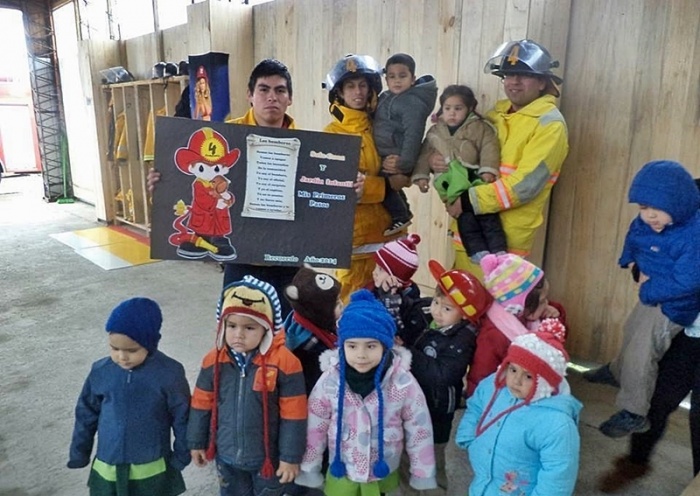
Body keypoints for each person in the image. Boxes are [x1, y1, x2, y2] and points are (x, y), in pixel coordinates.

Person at [147, 59, 299, 317]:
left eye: (280, 90)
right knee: (238, 333)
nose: (272, 97)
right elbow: (190, 183)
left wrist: (349, 189)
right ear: (250, 95)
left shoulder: (307, 145)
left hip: (288, 257)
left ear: (290, 98)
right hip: (240, 257)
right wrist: (162, 188)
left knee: (289, 337)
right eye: (264, 89)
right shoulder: (222, 137)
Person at [584, 160, 700, 438]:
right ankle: (617, 371)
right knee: (631, 329)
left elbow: (689, 282)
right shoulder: (652, 222)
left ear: (678, 205)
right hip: (658, 293)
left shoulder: (693, 234)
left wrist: (648, 290)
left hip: (677, 304)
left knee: (642, 349)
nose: (649, 216)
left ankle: (634, 412)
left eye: (656, 210)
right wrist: (629, 260)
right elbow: (635, 237)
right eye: (643, 208)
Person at [437, 40, 569, 272]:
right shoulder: (496, 114)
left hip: (503, 243)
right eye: (508, 75)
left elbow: (525, 187)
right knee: (459, 305)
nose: (514, 82)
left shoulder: (549, 124)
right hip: (466, 232)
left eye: (523, 75)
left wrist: (466, 201)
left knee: (492, 308)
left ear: (542, 81)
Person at [294, 289, 436, 495]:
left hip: (383, 473)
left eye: (370, 346)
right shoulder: (330, 381)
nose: (361, 355)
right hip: (342, 472)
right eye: (352, 346)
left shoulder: (402, 382)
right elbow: (315, 426)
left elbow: (419, 427)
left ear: (385, 346)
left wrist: (422, 471)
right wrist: (310, 466)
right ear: (343, 346)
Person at [187, 275, 307, 496]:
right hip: (226, 455)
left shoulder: (285, 363)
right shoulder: (214, 360)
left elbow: (295, 415)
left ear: (267, 329)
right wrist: (196, 442)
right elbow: (201, 404)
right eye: (231, 325)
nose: (238, 334)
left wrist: (290, 457)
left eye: (250, 328)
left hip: (268, 460)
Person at [67, 297, 191, 496]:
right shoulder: (101, 371)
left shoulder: (169, 373)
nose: (122, 357)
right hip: (108, 464)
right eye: (114, 349)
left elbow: (183, 417)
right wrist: (79, 452)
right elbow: (85, 414)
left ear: (150, 344)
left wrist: (182, 455)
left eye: (132, 350)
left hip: (151, 468)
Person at [398, 260, 492, 496]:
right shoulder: (430, 320)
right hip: (411, 407)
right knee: (404, 459)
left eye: (447, 308)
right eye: (437, 302)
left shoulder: (462, 339)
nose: (438, 310)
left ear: (465, 315)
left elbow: (441, 375)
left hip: (435, 413)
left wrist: (407, 352)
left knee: (430, 464)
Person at [321, 54, 407, 301]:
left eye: (362, 85)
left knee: (394, 309)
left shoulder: (384, 126)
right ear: (339, 93)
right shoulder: (332, 135)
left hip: (392, 239)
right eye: (350, 86)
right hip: (356, 244)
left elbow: (405, 171)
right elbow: (335, 189)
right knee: (351, 307)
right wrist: (378, 188)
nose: (357, 92)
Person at [455, 329, 581, 496]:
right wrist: (468, 435)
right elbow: (476, 406)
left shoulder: (557, 424)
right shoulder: (492, 387)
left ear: (545, 382)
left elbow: (557, 475)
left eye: (528, 376)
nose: (516, 380)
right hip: (482, 485)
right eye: (513, 369)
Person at [414, 84, 505, 264]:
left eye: (458, 108)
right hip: (451, 186)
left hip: (474, 182)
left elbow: (489, 149)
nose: (452, 113)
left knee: (488, 218)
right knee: (466, 222)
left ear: (470, 108)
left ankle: (499, 250)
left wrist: (487, 170)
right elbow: (424, 155)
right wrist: (422, 176)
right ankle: (478, 254)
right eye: (447, 109)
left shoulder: (480, 128)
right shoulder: (435, 132)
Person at [465, 253, 567, 398]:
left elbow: (555, 344)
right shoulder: (494, 334)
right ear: (519, 307)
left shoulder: (533, 316)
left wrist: (557, 316)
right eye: (543, 300)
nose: (547, 304)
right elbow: (481, 373)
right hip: (503, 395)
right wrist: (477, 401)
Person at [373, 53, 437, 236]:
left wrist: (405, 164)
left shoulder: (412, 102)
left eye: (402, 76)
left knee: (383, 184)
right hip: (387, 154)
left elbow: (413, 134)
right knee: (389, 186)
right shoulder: (386, 97)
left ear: (413, 79)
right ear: (386, 79)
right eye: (392, 77)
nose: (397, 81)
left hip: (399, 157)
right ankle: (405, 211)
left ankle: (400, 216)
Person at [284, 265, 343, 394]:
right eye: (337, 304)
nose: (342, 305)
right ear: (320, 312)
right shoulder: (310, 348)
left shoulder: (301, 320)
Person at [367, 233, 427, 346]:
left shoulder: (409, 298)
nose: (373, 272)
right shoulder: (373, 288)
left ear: (395, 278)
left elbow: (397, 328)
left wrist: (389, 298)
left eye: (380, 269)